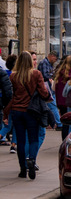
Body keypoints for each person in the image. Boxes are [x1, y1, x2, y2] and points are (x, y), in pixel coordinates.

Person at [3, 51, 49, 179]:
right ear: (30, 61)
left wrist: (6, 113)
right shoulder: (36, 74)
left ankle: (22, 169)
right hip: (32, 111)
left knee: (21, 141)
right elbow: (43, 92)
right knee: (33, 138)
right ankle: (32, 161)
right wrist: (47, 97)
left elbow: (12, 96)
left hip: (17, 111)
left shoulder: (13, 76)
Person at [52, 55, 71, 140]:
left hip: (61, 102)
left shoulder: (59, 74)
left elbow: (54, 88)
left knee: (65, 123)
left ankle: (64, 141)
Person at [37, 51, 62, 130]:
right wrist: (53, 76)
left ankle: (52, 122)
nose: (55, 60)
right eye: (55, 58)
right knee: (52, 105)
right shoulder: (44, 63)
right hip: (47, 87)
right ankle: (59, 123)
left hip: (49, 87)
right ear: (51, 56)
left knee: (50, 105)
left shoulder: (49, 64)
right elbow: (45, 75)